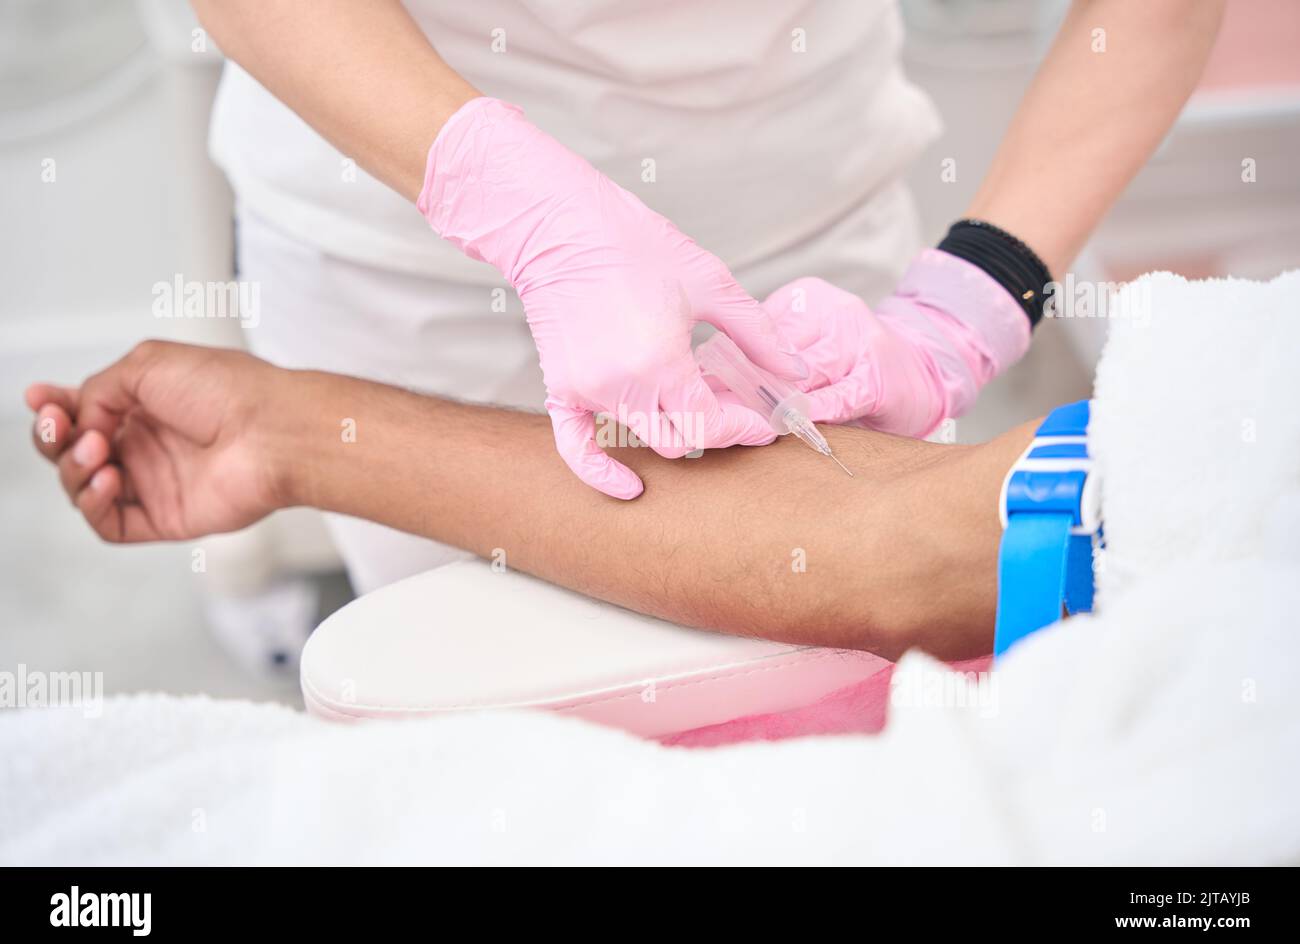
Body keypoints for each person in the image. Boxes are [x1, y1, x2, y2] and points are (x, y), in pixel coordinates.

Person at [193, 0, 1222, 592]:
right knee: (482, 728)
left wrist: (967, 306)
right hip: (399, 247)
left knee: (829, 682)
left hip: (810, 249)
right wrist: (519, 205)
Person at [28, 340, 1043, 660]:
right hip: (379, 237)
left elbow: (889, 548)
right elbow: (883, 540)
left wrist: (979, 286)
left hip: (805, 153)